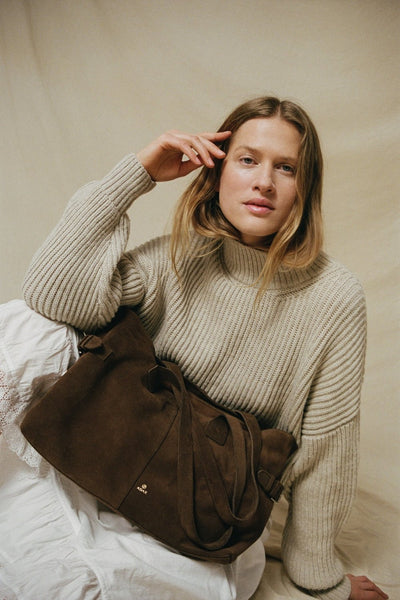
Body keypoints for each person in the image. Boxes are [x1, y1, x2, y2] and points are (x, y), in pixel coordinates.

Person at [2, 96, 388, 600]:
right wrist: (136, 174)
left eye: (286, 168)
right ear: (218, 171)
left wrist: (319, 578)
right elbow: (52, 297)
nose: (264, 182)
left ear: (305, 186)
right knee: (27, 324)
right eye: (247, 159)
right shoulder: (181, 254)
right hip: (114, 464)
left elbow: (326, 450)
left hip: (205, 511)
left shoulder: (334, 296)